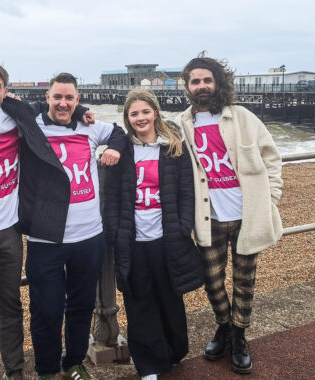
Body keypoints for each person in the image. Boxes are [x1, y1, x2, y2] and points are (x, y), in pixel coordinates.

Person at [0, 61, 97, 380]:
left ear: (5, 90)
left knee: (11, 309)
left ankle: (14, 372)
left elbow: (51, 103)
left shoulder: (17, 116)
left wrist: (80, 109)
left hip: (10, 232)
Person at [176, 53, 283, 374]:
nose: (202, 86)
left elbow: (272, 158)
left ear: (218, 83)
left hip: (247, 214)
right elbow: (150, 141)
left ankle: (238, 337)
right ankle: (224, 325)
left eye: (207, 79)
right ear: (188, 87)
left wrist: (271, 199)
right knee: (212, 281)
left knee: (245, 281)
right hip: (208, 217)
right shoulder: (182, 124)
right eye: (195, 81)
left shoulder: (243, 118)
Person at [25, 73, 126, 380]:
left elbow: (120, 132)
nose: (63, 103)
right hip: (45, 238)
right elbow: (5, 112)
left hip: (88, 236)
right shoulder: (32, 127)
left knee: (81, 306)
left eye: (70, 98)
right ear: (47, 98)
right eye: (57, 97)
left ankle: (74, 363)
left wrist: (115, 149)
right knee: (46, 309)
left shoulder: (90, 126)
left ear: (78, 100)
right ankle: (46, 369)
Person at [104, 88, 203, 379]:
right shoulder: (121, 151)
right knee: (139, 301)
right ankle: (148, 364)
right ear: (127, 118)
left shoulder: (173, 147)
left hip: (166, 238)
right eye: (134, 113)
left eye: (145, 111)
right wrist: (114, 232)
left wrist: (183, 226)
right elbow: (110, 198)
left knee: (169, 298)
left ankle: (173, 352)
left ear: (156, 113)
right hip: (133, 241)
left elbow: (187, 192)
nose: (140, 117)